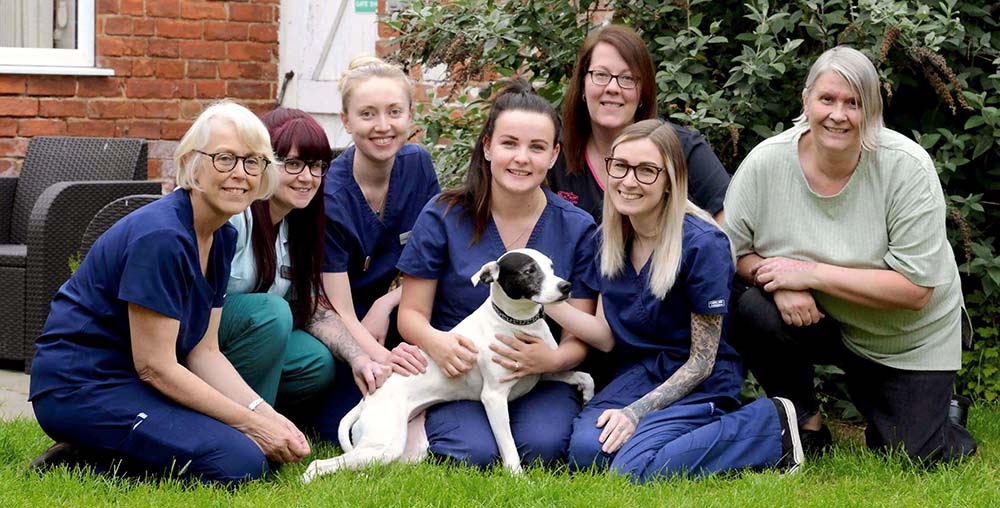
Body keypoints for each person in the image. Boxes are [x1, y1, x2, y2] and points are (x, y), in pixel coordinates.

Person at [28, 101, 309, 484]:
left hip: (133, 383)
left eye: (253, 161)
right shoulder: (161, 237)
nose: (240, 174)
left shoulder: (221, 236)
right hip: (82, 387)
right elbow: (155, 366)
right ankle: (83, 457)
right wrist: (250, 425)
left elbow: (204, 352)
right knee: (241, 464)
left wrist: (265, 414)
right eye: (225, 158)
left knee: (255, 452)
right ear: (194, 163)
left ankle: (106, 446)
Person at [723, 46, 977, 462]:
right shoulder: (766, 163)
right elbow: (730, 253)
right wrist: (773, 279)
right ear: (806, 101)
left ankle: (943, 409)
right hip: (822, 317)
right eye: (827, 99)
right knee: (753, 308)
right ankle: (805, 425)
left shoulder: (907, 168)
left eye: (853, 103)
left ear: (872, 110)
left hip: (905, 334)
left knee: (913, 454)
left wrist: (808, 274)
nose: (838, 115)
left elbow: (916, 291)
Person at [544, 119, 801, 482]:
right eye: (621, 166)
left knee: (629, 471)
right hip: (639, 375)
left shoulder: (702, 243)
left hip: (701, 380)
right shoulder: (606, 240)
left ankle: (767, 425)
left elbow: (701, 362)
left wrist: (634, 413)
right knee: (587, 454)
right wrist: (540, 297)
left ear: (670, 180)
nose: (629, 181)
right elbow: (603, 334)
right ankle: (679, 440)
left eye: (647, 171)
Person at [396, 78, 598, 468]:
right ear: (487, 146)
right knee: (475, 454)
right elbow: (410, 314)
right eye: (509, 143)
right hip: (463, 375)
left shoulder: (576, 228)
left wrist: (551, 361)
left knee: (543, 447)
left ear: (554, 156)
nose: (522, 158)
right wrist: (436, 343)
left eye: (537, 147)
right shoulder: (444, 214)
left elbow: (579, 336)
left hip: (539, 375)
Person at [218, 107, 390, 429]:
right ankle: (251, 426)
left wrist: (359, 357)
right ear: (263, 163)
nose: (308, 178)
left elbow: (314, 308)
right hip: (202, 342)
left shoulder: (296, 225)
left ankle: (266, 414)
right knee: (272, 311)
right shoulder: (235, 218)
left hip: (248, 345)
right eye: (293, 164)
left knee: (315, 361)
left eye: (316, 166)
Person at [317, 56, 439, 435]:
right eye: (367, 114)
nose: (383, 126)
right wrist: (385, 360)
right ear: (346, 120)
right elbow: (340, 309)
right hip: (342, 323)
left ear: (409, 115)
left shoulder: (417, 164)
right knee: (338, 420)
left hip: (400, 311)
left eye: (394, 112)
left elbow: (436, 260)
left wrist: (385, 305)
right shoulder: (330, 194)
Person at [549, 24, 730, 224]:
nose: (612, 87)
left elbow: (731, 225)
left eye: (627, 78)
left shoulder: (682, 148)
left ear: (643, 91)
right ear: (582, 84)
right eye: (601, 75)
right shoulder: (555, 152)